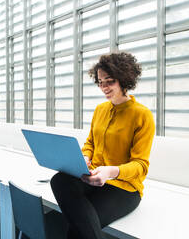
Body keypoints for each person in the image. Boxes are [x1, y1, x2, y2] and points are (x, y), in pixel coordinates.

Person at [50, 52, 155, 239]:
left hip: (124, 187)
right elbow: (90, 142)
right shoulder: (100, 110)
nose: (103, 87)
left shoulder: (142, 115)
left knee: (77, 230)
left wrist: (110, 171)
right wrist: (85, 157)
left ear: (124, 79)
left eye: (109, 81)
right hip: (94, 177)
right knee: (59, 180)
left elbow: (140, 165)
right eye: (100, 82)